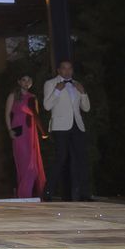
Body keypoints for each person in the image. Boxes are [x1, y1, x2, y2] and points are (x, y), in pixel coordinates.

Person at [43, 60, 91, 201]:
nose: (67, 71)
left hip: (77, 125)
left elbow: (86, 108)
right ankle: (47, 192)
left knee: (82, 160)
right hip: (60, 126)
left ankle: (84, 194)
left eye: (69, 68)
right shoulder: (50, 84)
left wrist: (83, 93)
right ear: (59, 70)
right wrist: (57, 91)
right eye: (64, 68)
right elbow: (46, 106)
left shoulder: (77, 84)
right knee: (61, 158)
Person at [5, 74, 46, 198]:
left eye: (29, 80)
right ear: (19, 82)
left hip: (31, 133)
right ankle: (24, 195)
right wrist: (9, 130)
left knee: (32, 165)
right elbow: (6, 114)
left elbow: (36, 115)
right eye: (24, 80)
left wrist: (42, 132)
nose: (26, 82)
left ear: (31, 83)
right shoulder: (13, 96)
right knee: (23, 163)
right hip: (19, 132)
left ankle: (25, 194)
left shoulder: (33, 97)